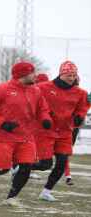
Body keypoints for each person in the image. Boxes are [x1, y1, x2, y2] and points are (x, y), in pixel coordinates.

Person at [0, 61, 52, 206]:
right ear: (22, 74)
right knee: (2, 168)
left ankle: (11, 197)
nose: (35, 75)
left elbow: (43, 108)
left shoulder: (36, 91)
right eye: (32, 72)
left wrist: (45, 119)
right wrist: (2, 123)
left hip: (26, 135)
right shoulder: (2, 89)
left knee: (26, 166)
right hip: (2, 135)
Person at [34, 61, 90, 201]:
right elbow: (32, 100)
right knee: (45, 164)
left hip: (65, 132)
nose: (71, 78)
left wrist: (79, 117)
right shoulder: (43, 87)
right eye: (68, 75)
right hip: (46, 131)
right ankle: (22, 167)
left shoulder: (80, 93)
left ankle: (46, 191)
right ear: (61, 74)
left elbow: (82, 108)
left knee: (61, 163)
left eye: (73, 75)